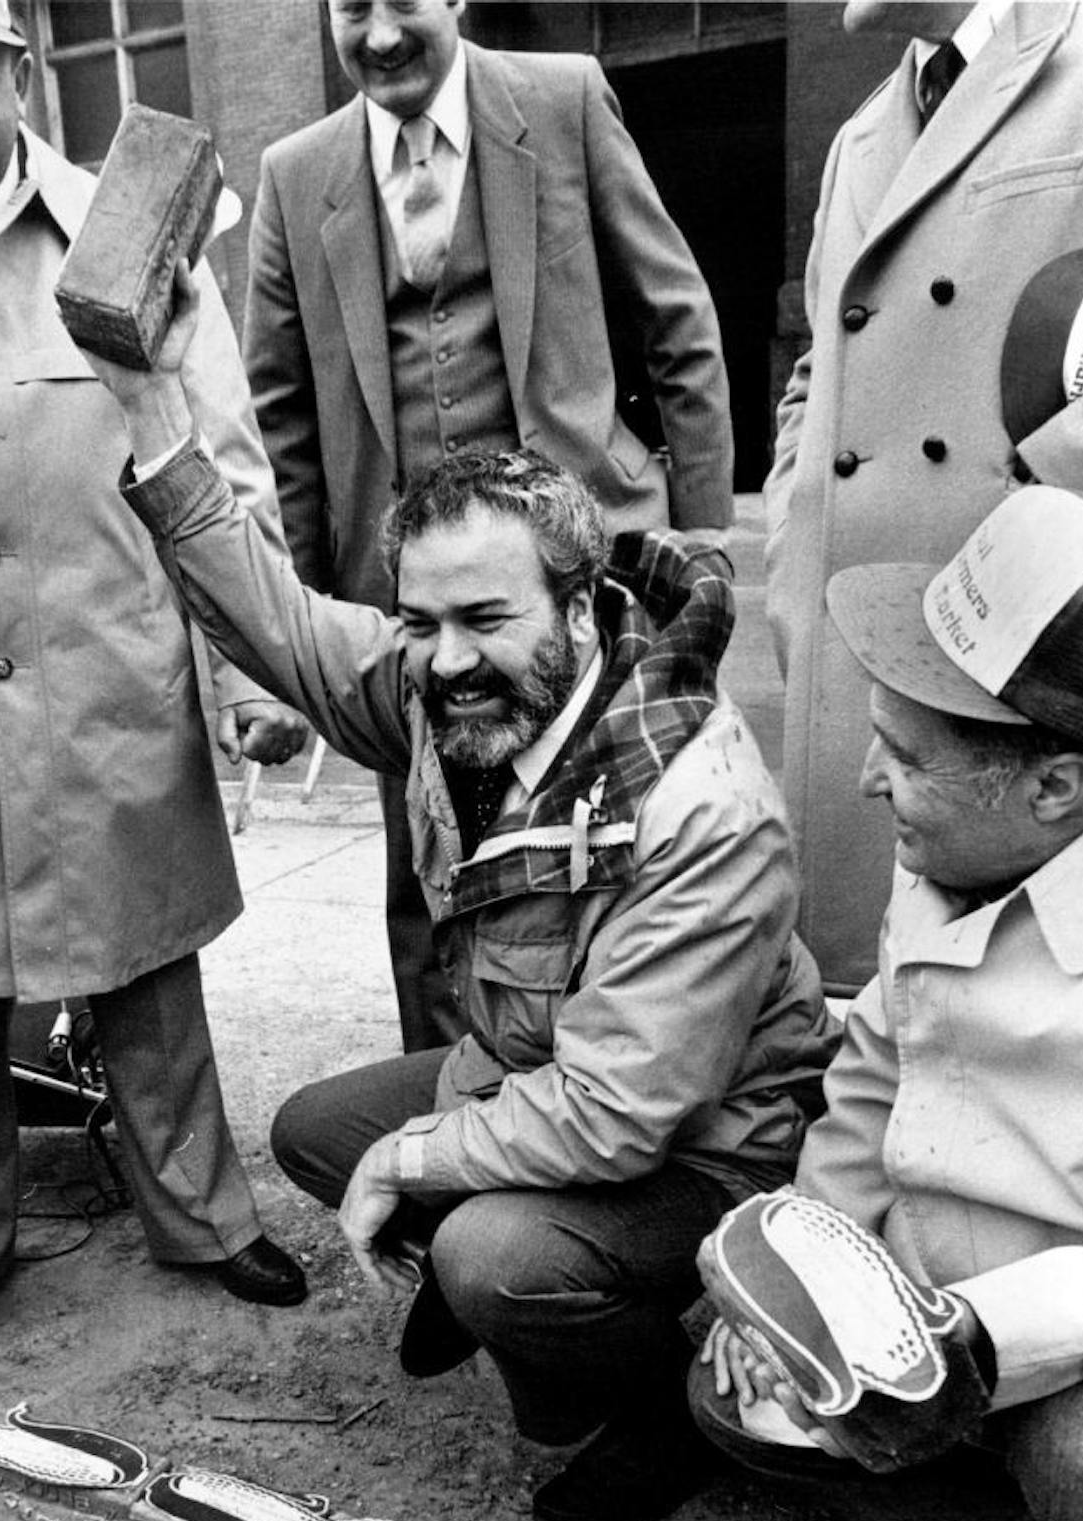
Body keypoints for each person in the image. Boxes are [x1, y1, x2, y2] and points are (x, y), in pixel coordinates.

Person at [83, 268, 834, 1521]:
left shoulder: (700, 807)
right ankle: (500, 1261)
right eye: (420, 620)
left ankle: (662, 1409)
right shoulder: (452, 691)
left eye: (484, 617)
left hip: (706, 1149)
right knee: (315, 1129)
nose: (443, 659)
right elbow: (279, 622)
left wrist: (416, 1158)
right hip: (532, 1073)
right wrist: (151, 402)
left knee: (492, 1253)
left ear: (583, 607)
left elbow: (611, 1116)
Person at [0, 0, 310, 1363]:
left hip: (108, 675)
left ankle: (204, 1213)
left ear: (23, 73)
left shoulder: (124, 222)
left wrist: (256, 667)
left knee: (148, 969)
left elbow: (222, 454)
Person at [695, 483, 1083, 1521]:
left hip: (1071, 1343)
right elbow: (873, 1066)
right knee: (723, 1380)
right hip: (923, 1302)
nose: (872, 781)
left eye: (911, 756)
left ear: (1056, 782)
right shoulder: (957, 845)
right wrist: (815, 1268)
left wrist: (984, 1343)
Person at [245, 0, 735, 1053]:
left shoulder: (559, 104)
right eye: (349, 7)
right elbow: (278, 421)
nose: (377, 35)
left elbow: (678, 327)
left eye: (401, 2)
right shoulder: (294, 175)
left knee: (616, 855)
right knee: (426, 885)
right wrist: (295, 640)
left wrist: (703, 551)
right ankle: (445, 1132)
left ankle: (623, 1099)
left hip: (581, 589)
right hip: (411, 617)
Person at [766, 0, 1083, 994]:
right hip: (852, 673)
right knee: (850, 1026)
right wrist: (800, 537)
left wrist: (1047, 534)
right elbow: (817, 366)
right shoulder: (861, 132)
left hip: (1009, 687)